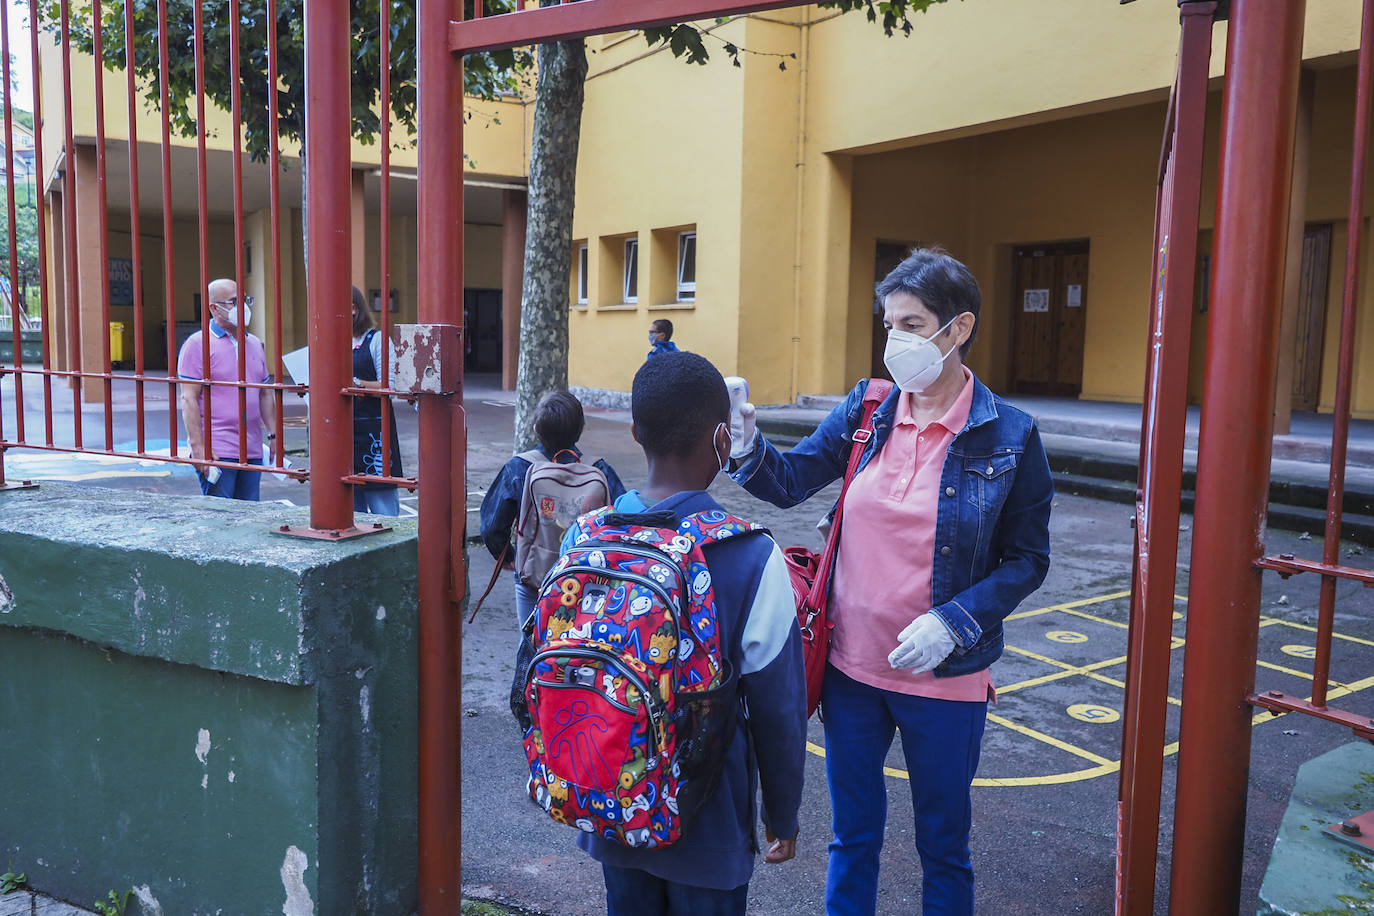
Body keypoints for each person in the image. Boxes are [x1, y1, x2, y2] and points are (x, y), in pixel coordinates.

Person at [727, 248, 1053, 915]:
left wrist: (953, 622)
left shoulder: (1011, 437)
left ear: (958, 328)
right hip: (851, 671)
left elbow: (1027, 560)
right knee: (853, 835)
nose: (895, 341)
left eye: (911, 323)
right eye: (889, 323)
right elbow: (789, 484)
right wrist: (744, 449)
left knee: (942, 843)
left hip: (944, 679)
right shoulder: (870, 408)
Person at [564, 351, 808, 915]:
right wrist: (783, 812)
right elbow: (779, 707)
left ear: (634, 432)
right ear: (724, 440)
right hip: (708, 818)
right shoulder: (748, 553)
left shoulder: (589, 534)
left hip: (613, 802)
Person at [480, 389, 628, 626]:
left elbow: (491, 525)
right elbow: (623, 521)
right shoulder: (600, 470)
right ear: (581, 429)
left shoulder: (518, 468)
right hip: (586, 574)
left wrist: (507, 556)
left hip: (533, 574)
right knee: (580, 640)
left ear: (536, 429)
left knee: (531, 641)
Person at [178, 278, 277, 501]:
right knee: (221, 518)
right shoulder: (197, 344)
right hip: (218, 450)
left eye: (244, 299)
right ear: (214, 308)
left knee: (249, 515)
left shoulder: (253, 344)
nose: (241, 307)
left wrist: (273, 434)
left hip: (251, 449)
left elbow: (264, 393)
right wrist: (199, 447)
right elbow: (188, 399)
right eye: (234, 302)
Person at [349, 286, 403, 516]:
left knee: (384, 510)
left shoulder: (377, 340)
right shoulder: (332, 342)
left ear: (353, 309)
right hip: (345, 434)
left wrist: (356, 384)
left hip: (374, 431)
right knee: (349, 510)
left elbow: (390, 384)